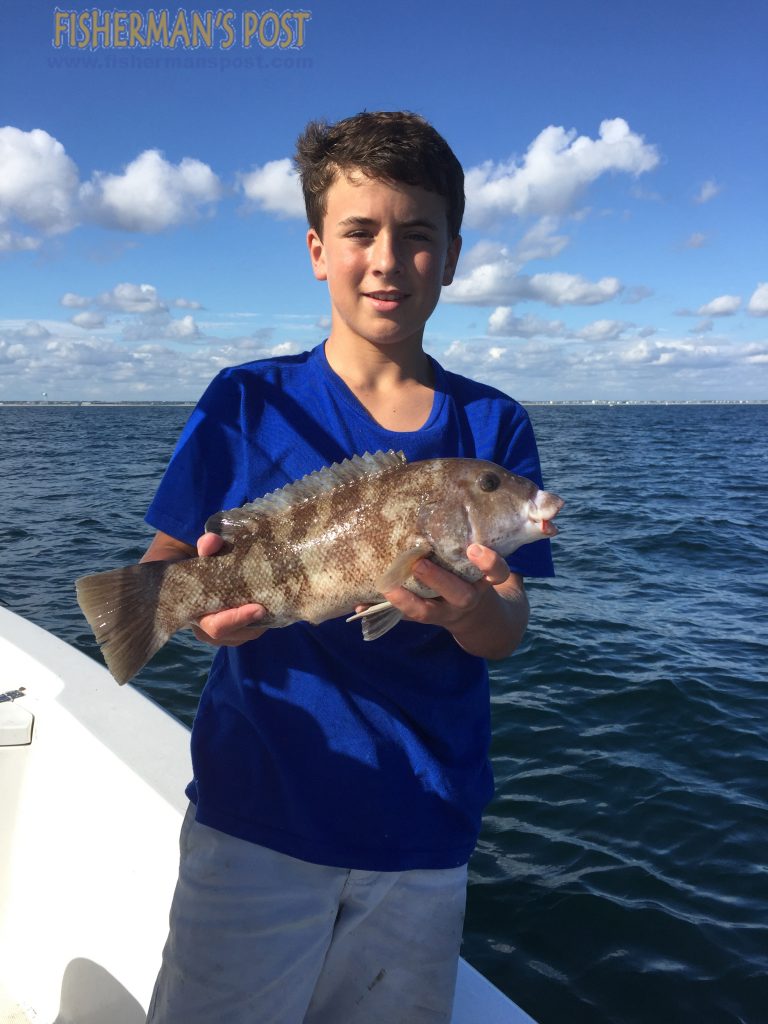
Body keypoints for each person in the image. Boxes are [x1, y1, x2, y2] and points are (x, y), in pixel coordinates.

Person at [143, 110, 555, 1024]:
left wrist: (465, 614)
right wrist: (192, 602)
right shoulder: (245, 400)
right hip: (257, 811)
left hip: (424, 821)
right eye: (360, 232)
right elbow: (168, 560)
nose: (387, 259)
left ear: (451, 256)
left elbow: (508, 625)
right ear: (317, 248)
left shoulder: (492, 428)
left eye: (417, 237)